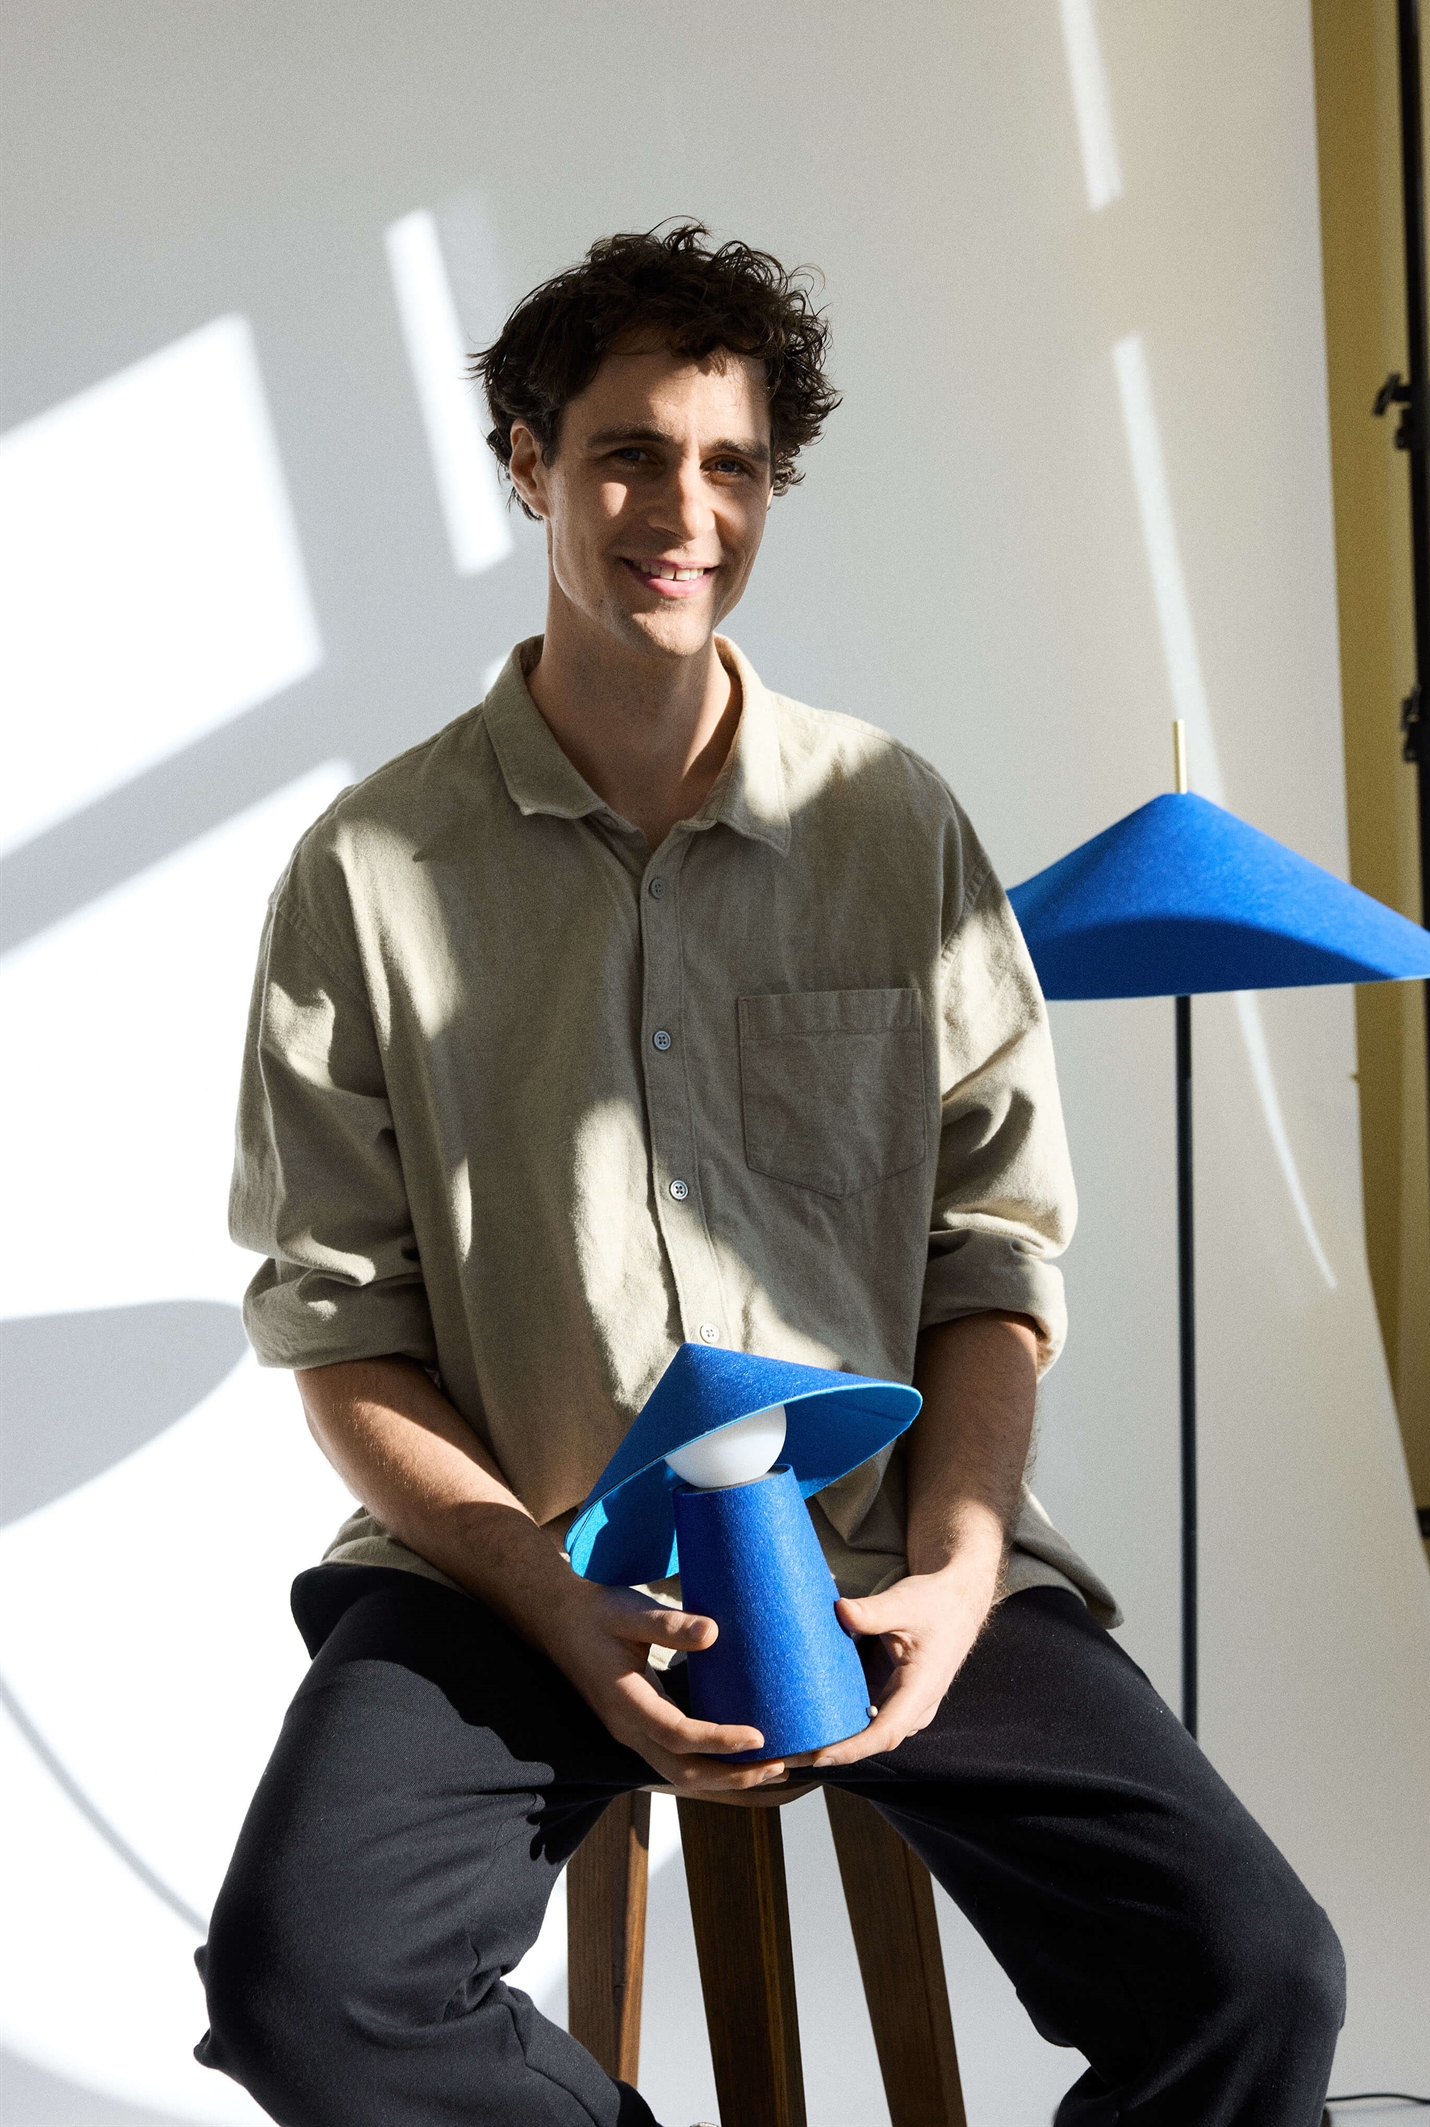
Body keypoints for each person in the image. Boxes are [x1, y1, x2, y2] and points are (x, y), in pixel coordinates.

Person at [195, 222, 1344, 2127]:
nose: (685, 513)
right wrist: (546, 1591)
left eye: (731, 464)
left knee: (1254, 1974)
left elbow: (991, 1255)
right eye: (629, 455)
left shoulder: (893, 827)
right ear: (526, 462)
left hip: (884, 1553)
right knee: (301, 1989)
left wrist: (964, 1562)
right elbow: (339, 1326)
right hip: (518, 1561)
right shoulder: (369, 871)